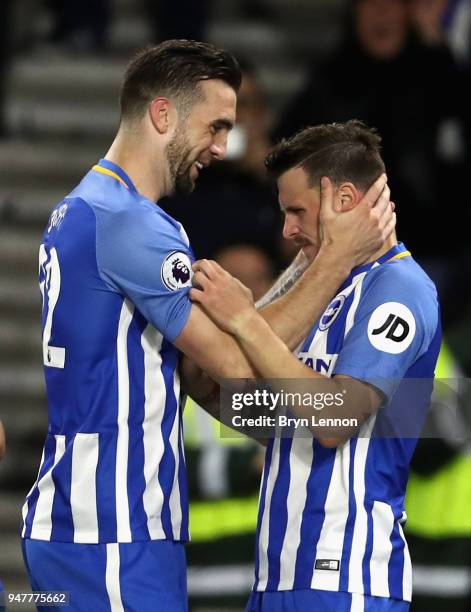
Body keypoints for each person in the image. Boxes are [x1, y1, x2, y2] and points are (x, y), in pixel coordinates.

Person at [20, 40, 394, 611]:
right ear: (162, 114)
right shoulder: (132, 223)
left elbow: (202, 370)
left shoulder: (82, 207)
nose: (222, 148)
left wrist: (291, 273)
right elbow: (235, 363)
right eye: (215, 126)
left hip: (84, 524)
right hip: (114, 530)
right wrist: (334, 260)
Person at [189, 120, 441, 611]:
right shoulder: (329, 290)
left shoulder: (401, 289)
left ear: (344, 200)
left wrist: (244, 319)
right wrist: (210, 388)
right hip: (277, 573)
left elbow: (334, 419)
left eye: (296, 211)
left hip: (344, 577)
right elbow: (284, 420)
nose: (286, 229)